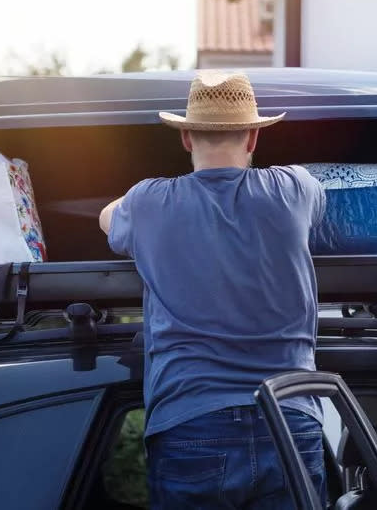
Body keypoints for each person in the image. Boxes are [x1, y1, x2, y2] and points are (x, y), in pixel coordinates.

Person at [100, 72, 327, 509]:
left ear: (185, 136)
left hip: (191, 424)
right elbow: (320, 202)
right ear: (255, 137)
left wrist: (130, 207)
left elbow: (109, 218)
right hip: (291, 418)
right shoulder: (293, 189)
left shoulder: (149, 202)